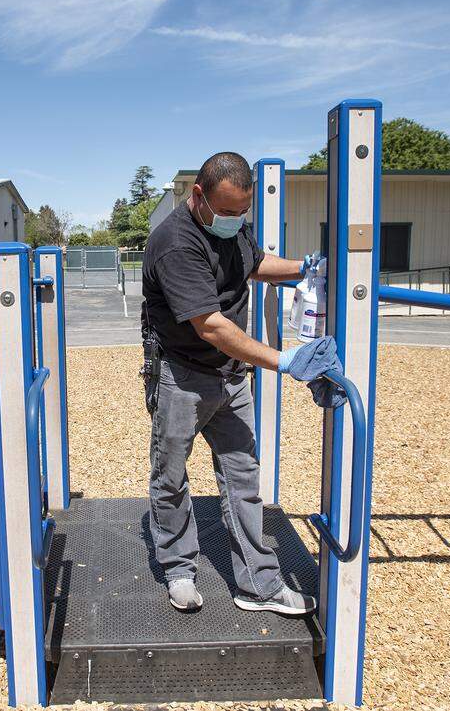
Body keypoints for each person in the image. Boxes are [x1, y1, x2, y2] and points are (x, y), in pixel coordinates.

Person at [141, 151, 343, 614]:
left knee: (243, 477)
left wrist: (305, 269)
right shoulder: (175, 243)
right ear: (198, 196)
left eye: (241, 213)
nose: (235, 221)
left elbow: (253, 263)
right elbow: (210, 325)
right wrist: (284, 360)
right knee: (171, 477)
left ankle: (259, 585)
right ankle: (178, 569)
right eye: (227, 212)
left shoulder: (229, 223)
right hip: (181, 375)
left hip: (230, 375)